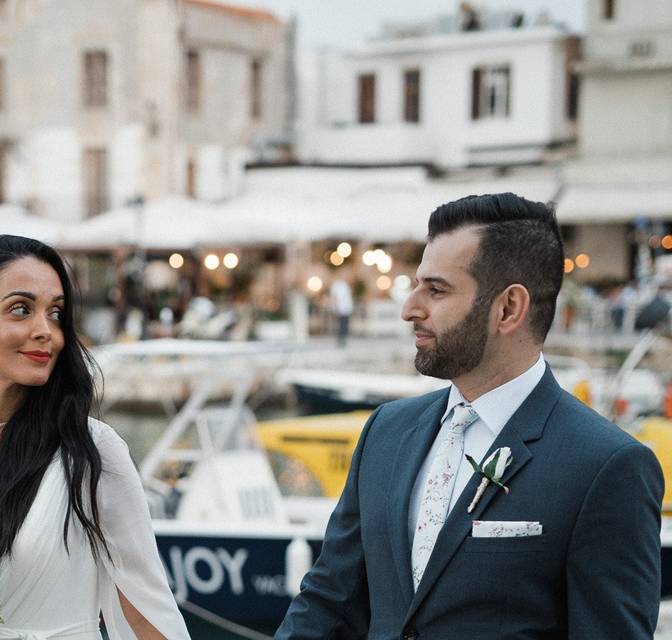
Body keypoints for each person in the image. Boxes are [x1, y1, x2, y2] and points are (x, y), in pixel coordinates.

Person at [276, 194, 663, 639]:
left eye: (436, 290)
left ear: (508, 309)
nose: (410, 309)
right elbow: (329, 604)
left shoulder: (606, 467)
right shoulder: (386, 431)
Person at [0, 235, 189, 640]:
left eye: (55, 313)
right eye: (21, 310)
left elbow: (146, 611)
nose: (45, 330)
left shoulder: (91, 452)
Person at [329, 276, 354, 346]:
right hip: (340, 309)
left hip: (346, 308)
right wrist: (336, 307)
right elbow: (335, 297)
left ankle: (344, 339)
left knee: (345, 325)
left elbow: (347, 298)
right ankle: (340, 339)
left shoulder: (345, 285)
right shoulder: (336, 285)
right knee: (340, 325)